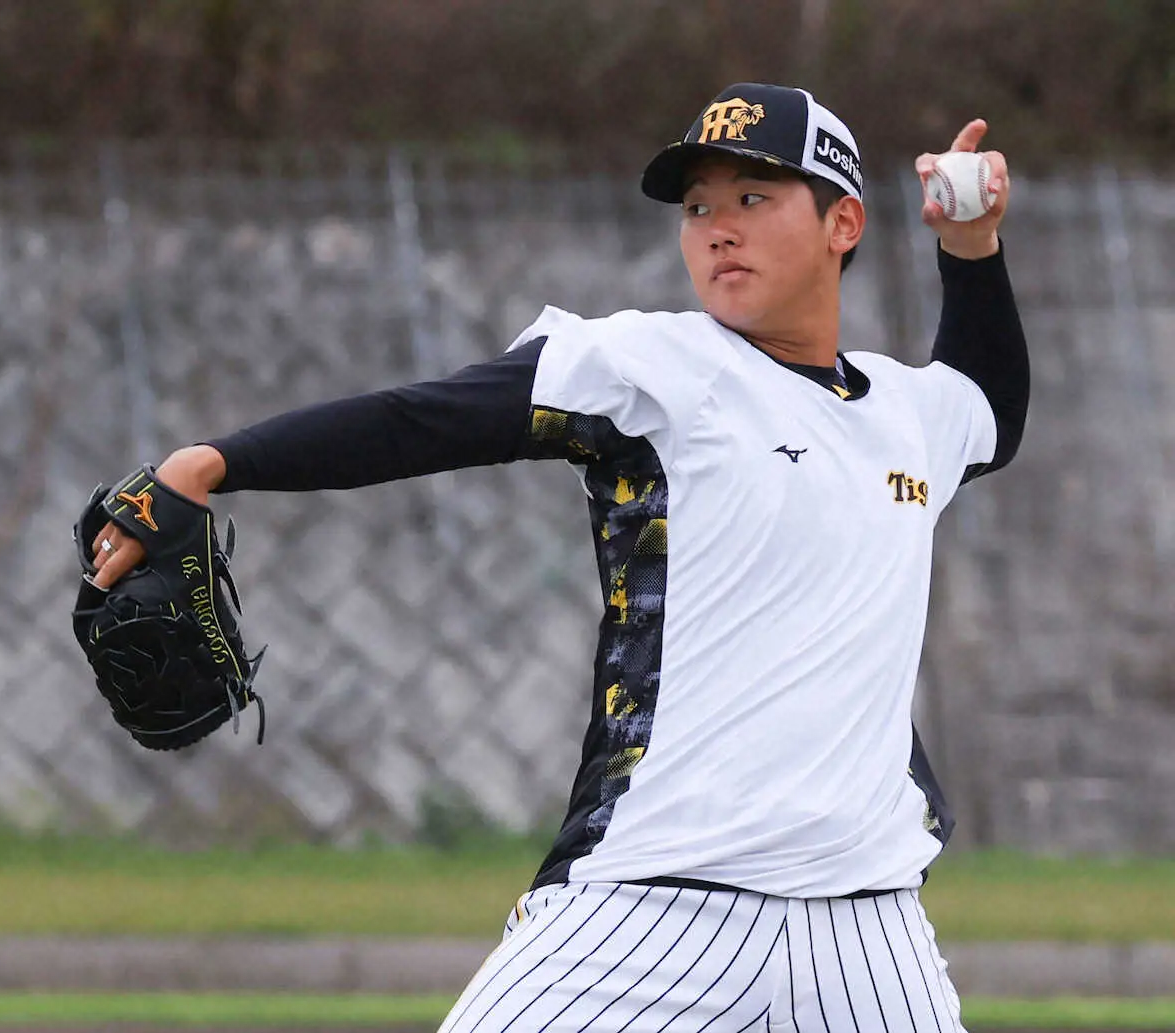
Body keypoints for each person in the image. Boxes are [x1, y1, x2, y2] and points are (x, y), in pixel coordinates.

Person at [92, 83, 1028, 1032]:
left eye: (754, 197)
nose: (717, 228)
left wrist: (970, 247)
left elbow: (990, 403)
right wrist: (222, 461)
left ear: (844, 223)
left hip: (869, 936)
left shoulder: (908, 416)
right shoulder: (651, 368)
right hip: (648, 911)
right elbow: (430, 418)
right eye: (698, 205)